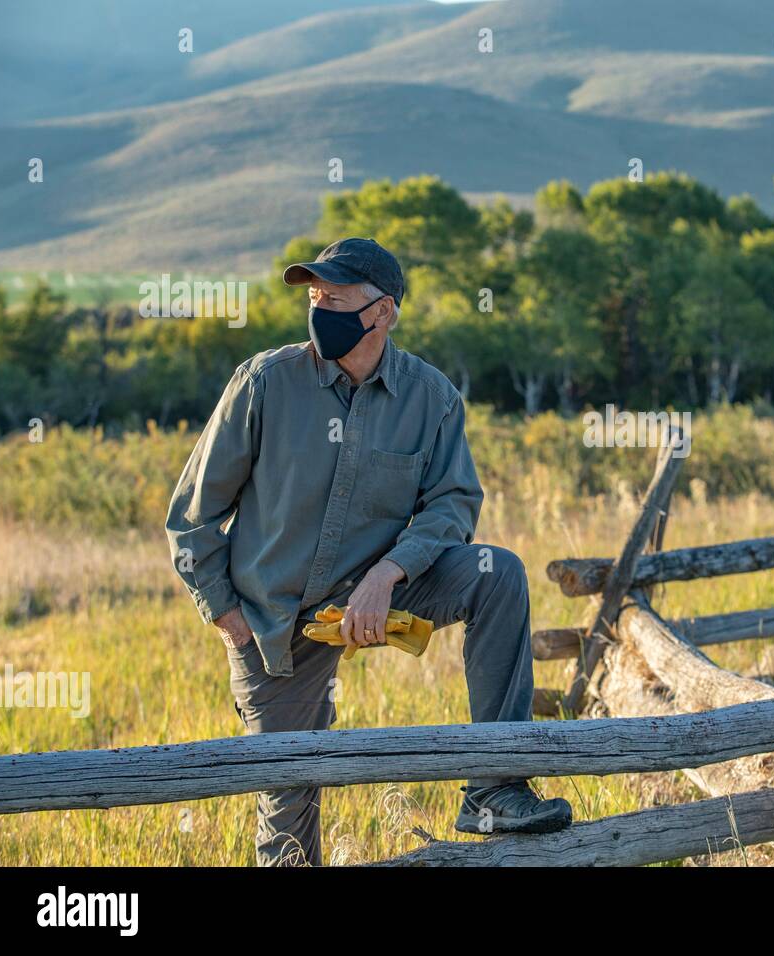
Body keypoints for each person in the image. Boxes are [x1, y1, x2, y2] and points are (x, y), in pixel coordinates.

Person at [165, 237, 571, 866]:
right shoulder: (265, 383)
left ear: (383, 313)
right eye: (313, 295)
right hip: (273, 620)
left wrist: (390, 570)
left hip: (380, 585)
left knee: (498, 574)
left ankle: (495, 787)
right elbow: (193, 515)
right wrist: (226, 615)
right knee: (288, 806)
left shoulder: (430, 398)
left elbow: (453, 502)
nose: (318, 306)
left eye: (335, 296)